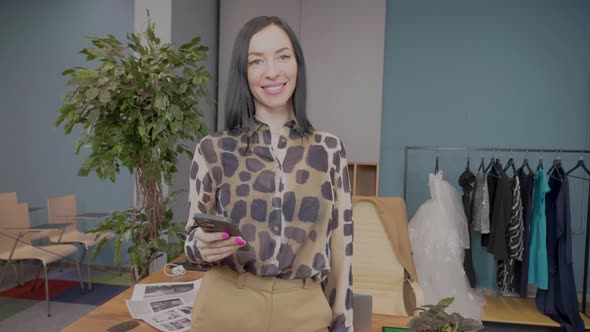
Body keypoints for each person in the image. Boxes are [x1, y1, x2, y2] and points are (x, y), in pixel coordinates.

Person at [184, 16, 354, 332]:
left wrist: (343, 324)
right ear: (243, 73)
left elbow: (342, 253)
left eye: (283, 56)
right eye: (256, 61)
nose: (272, 72)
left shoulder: (329, 149)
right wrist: (201, 246)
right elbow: (192, 239)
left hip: (304, 312)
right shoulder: (213, 149)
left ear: (297, 64)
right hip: (225, 308)